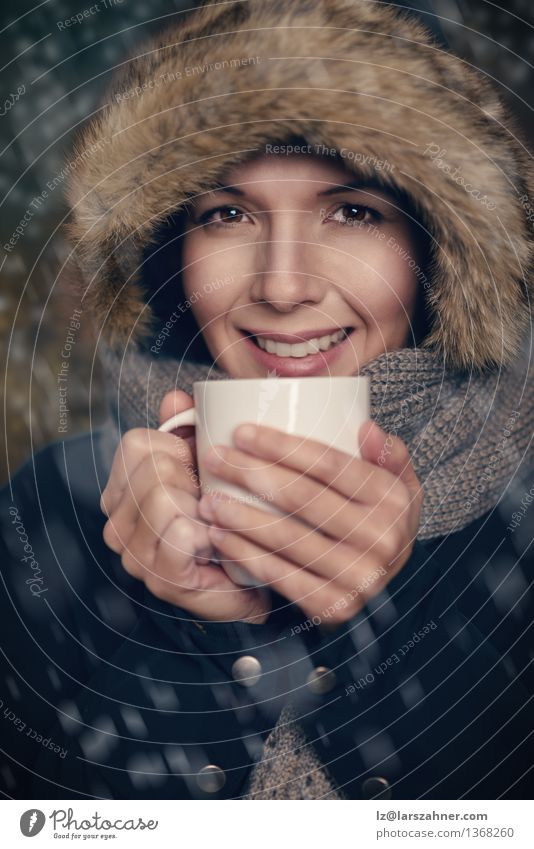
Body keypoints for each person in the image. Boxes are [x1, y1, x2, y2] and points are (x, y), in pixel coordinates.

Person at [1, 0, 533, 801]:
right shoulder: (55, 511)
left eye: (354, 212)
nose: (283, 287)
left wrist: (374, 606)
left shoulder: (521, 523)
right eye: (228, 213)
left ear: (441, 251)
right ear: (166, 252)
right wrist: (183, 610)